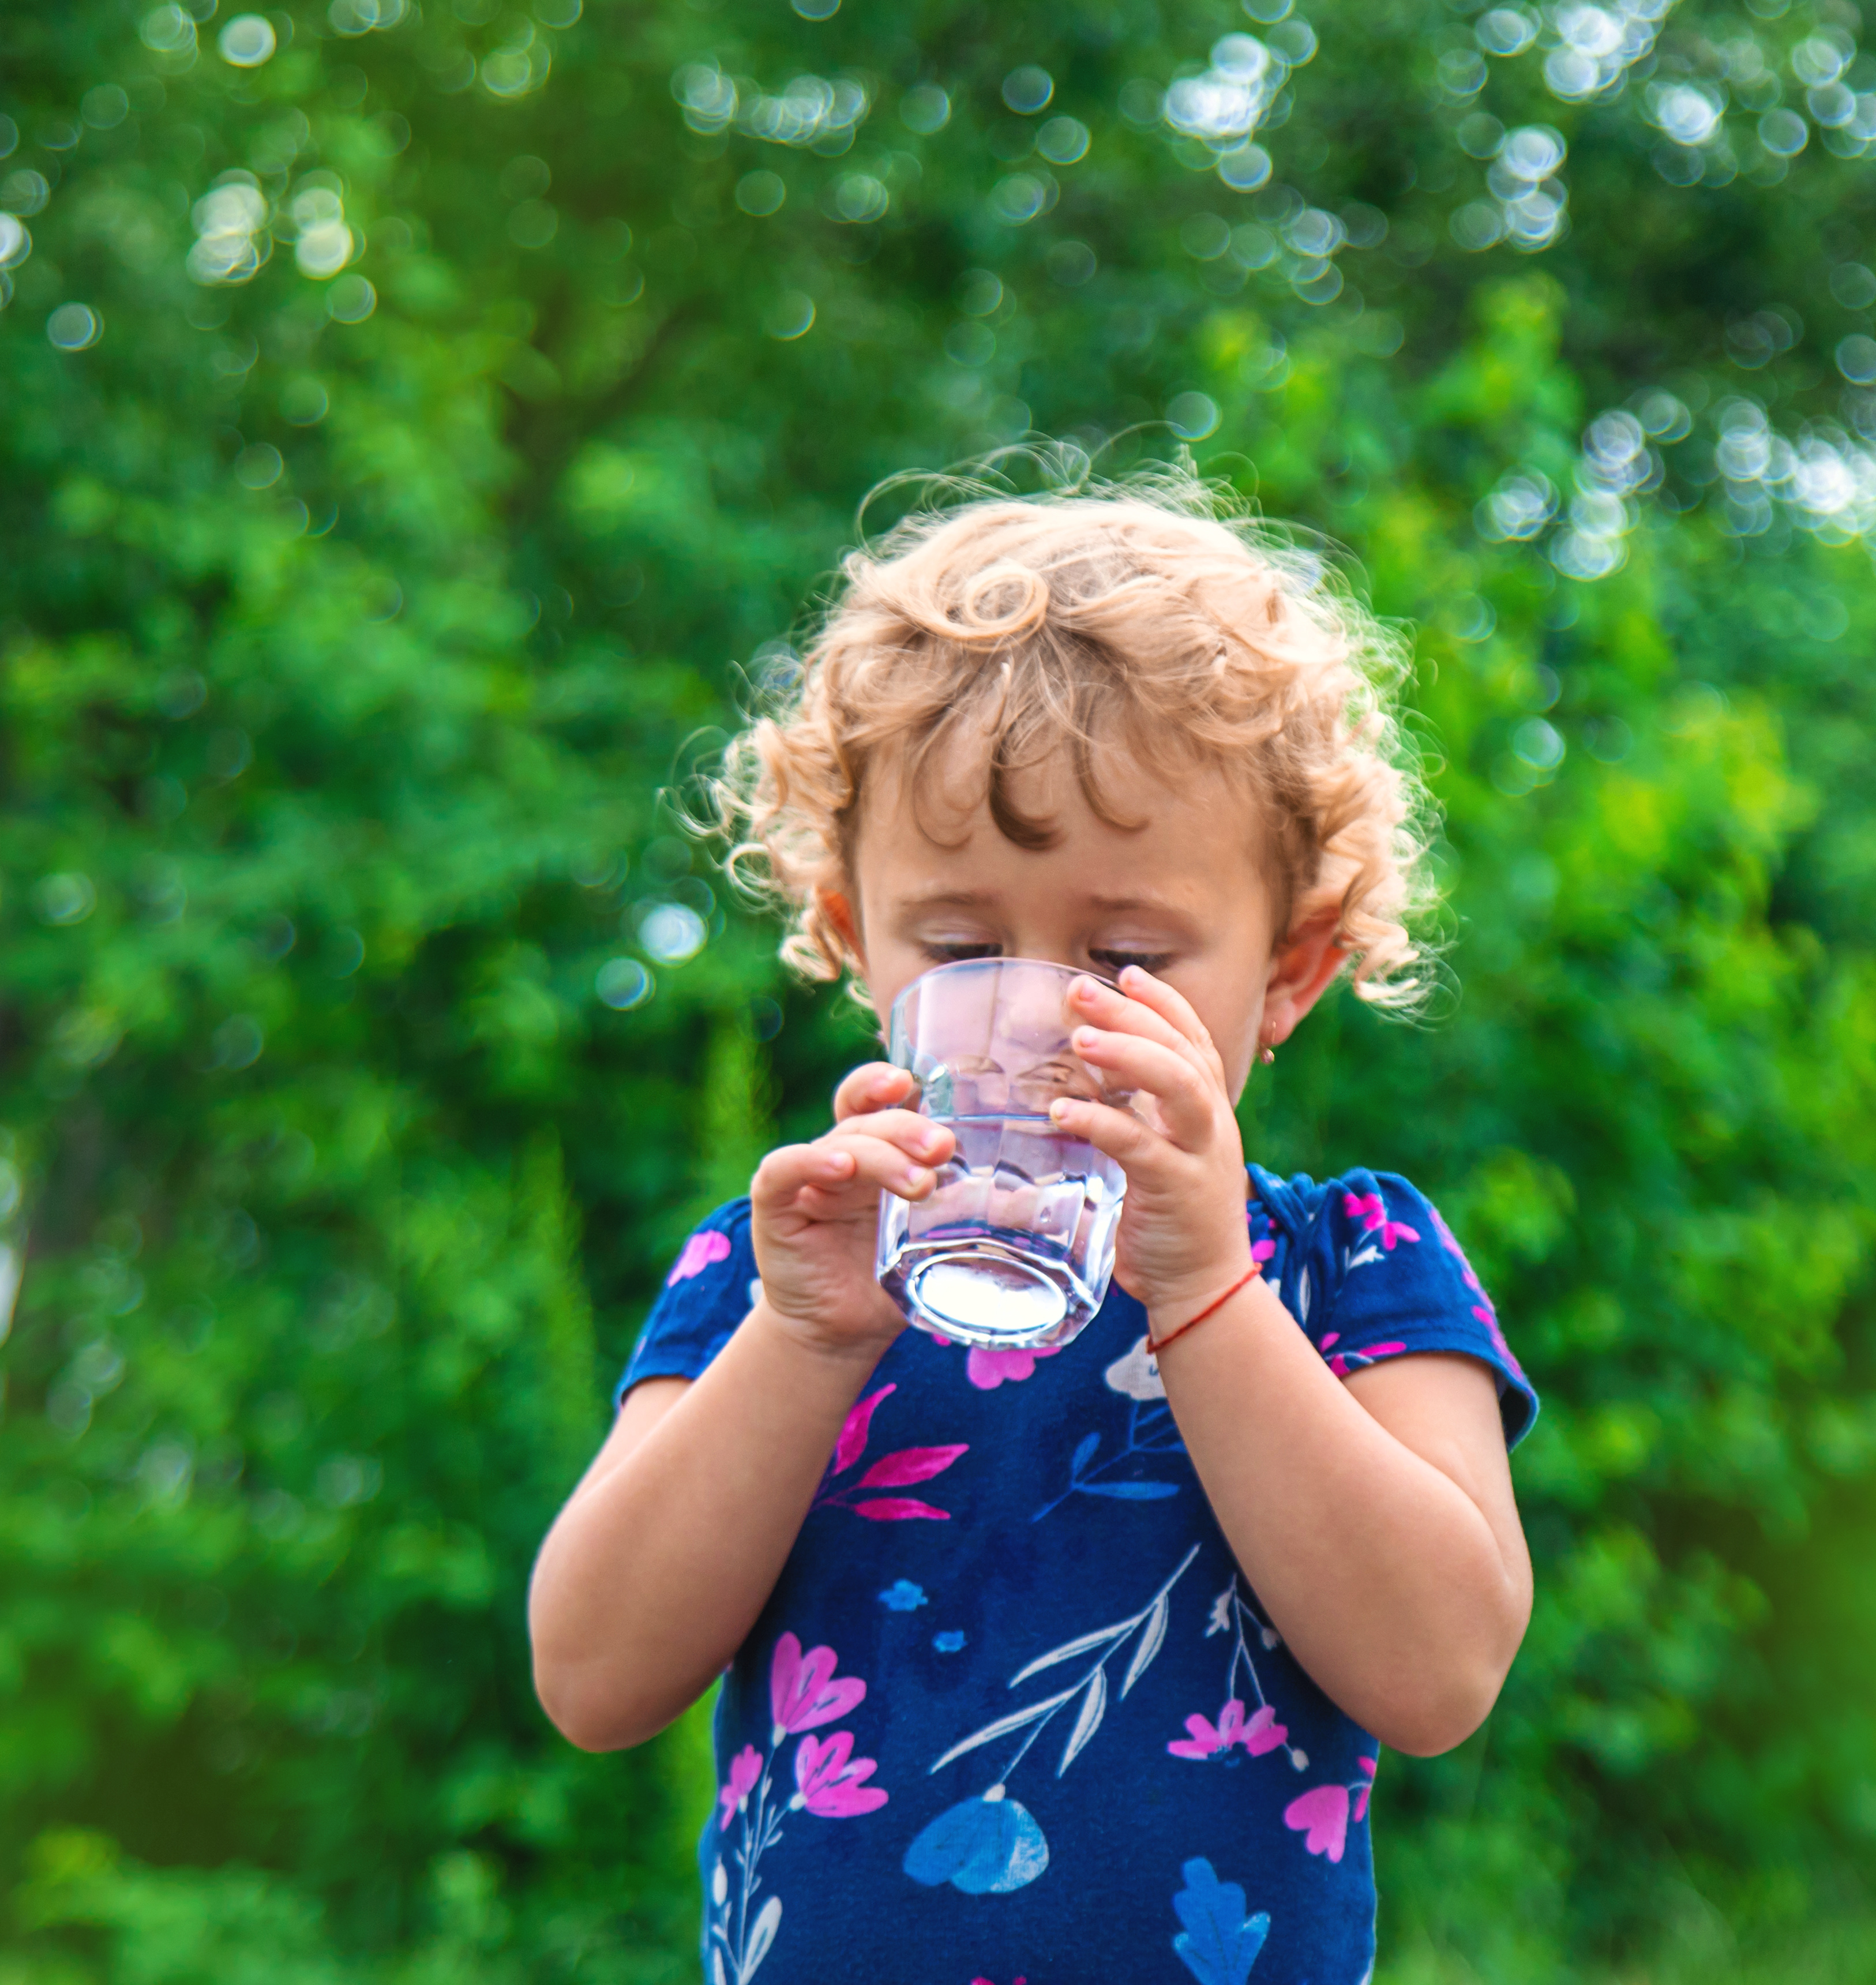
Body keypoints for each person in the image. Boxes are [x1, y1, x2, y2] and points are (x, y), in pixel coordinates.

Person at [528, 475, 1539, 1982]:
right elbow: (594, 1675)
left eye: (1125, 951)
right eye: (959, 942)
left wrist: (1203, 1287)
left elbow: (1441, 1668)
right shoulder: (771, 1269)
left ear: (1289, 973)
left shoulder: (1351, 1268)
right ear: (844, 932)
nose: (1035, 1013)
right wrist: (802, 1340)